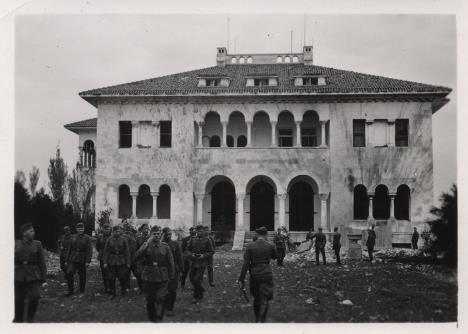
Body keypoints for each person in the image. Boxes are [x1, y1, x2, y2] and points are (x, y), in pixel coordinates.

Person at [134, 225, 175, 322]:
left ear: (161, 234)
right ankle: (152, 317)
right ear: (151, 235)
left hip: (162, 275)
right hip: (149, 276)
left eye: (158, 234)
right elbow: (136, 257)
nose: (156, 236)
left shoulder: (165, 246)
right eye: (154, 234)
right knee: (150, 299)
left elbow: (171, 262)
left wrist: (172, 274)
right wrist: (146, 244)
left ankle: (159, 315)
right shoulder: (146, 245)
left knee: (161, 297)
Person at [238, 226, 277, 323]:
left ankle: (257, 318)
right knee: (266, 297)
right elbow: (275, 257)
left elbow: (245, 264)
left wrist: (241, 279)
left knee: (256, 298)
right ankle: (263, 318)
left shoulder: (250, 246)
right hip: (267, 273)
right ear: (266, 234)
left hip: (255, 274)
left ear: (257, 234)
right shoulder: (270, 245)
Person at [14, 223, 47, 322]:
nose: (34, 233)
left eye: (33, 231)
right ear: (24, 233)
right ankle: (18, 320)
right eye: (31, 231)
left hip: (33, 275)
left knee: (35, 296)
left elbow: (42, 262)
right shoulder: (16, 243)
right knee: (19, 299)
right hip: (19, 275)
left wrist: (43, 279)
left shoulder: (37, 244)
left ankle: (30, 317)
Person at [185, 225, 214, 304]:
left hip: (202, 263)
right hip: (193, 262)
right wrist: (192, 255)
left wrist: (203, 256)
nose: (199, 233)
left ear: (203, 231)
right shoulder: (192, 239)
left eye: (201, 231)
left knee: (197, 279)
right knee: (192, 279)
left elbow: (211, 251)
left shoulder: (207, 240)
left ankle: (196, 297)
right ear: (196, 232)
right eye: (198, 231)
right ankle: (201, 290)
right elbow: (187, 250)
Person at [103, 225, 131, 299]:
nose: (117, 232)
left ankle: (123, 289)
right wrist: (105, 262)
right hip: (111, 261)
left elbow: (127, 252)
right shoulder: (109, 239)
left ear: (120, 231)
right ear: (113, 232)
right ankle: (113, 293)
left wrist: (128, 262)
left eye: (118, 231)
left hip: (121, 261)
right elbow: (106, 251)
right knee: (111, 278)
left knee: (122, 277)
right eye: (115, 231)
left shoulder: (124, 239)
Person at [65, 222, 92, 296]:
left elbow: (89, 250)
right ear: (76, 229)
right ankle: (70, 291)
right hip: (72, 258)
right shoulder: (73, 237)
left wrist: (87, 261)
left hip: (82, 259)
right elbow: (69, 249)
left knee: (82, 275)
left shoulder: (87, 238)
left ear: (84, 229)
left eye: (82, 229)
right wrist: (66, 260)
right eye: (79, 229)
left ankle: (82, 291)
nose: (80, 230)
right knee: (69, 272)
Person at [162, 227, 184, 316]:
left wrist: (182, 270)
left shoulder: (175, 244)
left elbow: (180, 258)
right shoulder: (160, 244)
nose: (169, 236)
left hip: (174, 270)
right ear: (163, 234)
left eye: (170, 234)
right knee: (163, 289)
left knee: (172, 289)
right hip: (163, 270)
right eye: (167, 234)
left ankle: (169, 308)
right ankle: (164, 306)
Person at [95, 223, 112, 294]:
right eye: (105, 229)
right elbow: (97, 247)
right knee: (104, 272)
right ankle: (107, 287)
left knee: (111, 272)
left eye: (108, 229)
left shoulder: (112, 237)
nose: (106, 230)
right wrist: (102, 252)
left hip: (111, 256)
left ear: (110, 229)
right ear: (103, 229)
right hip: (102, 256)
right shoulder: (100, 237)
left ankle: (111, 287)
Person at [134, 224, 150, 291]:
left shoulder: (151, 238)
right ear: (142, 230)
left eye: (147, 228)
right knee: (139, 274)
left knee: (149, 274)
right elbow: (136, 249)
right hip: (140, 259)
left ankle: (147, 289)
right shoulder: (138, 238)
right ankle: (141, 288)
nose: (146, 230)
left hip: (149, 259)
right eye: (145, 229)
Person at [122, 223, 137, 292]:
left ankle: (140, 286)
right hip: (126, 259)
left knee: (136, 272)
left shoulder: (133, 239)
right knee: (126, 274)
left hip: (133, 258)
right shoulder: (124, 238)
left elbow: (135, 249)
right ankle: (126, 287)